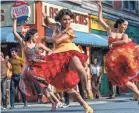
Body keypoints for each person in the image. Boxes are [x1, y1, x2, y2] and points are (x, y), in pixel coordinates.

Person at [38, 9, 93, 113]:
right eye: (64, 19)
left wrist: (48, 38)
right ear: (60, 19)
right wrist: (45, 17)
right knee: (68, 88)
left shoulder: (70, 30)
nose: (67, 22)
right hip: (58, 57)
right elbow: (47, 23)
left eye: (69, 19)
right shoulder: (56, 27)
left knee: (81, 69)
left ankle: (87, 89)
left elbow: (57, 40)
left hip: (70, 52)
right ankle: (86, 106)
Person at [12, 13, 64, 111]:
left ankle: (54, 102)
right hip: (29, 69)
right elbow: (15, 32)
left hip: (39, 67)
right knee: (42, 86)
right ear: (31, 36)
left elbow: (50, 51)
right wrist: (15, 20)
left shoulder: (38, 45)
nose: (37, 36)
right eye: (36, 35)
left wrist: (47, 57)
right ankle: (55, 101)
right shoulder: (24, 43)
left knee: (43, 86)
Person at [97, 0, 139, 103]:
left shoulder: (125, 35)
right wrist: (100, 7)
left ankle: (137, 94)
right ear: (119, 24)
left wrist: (114, 44)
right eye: (124, 25)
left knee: (125, 79)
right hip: (113, 61)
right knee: (123, 80)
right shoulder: (110, 31)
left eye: (126, 26)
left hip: (124, 59)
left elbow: (125, 41)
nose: (125, 27)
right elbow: (100, 19)